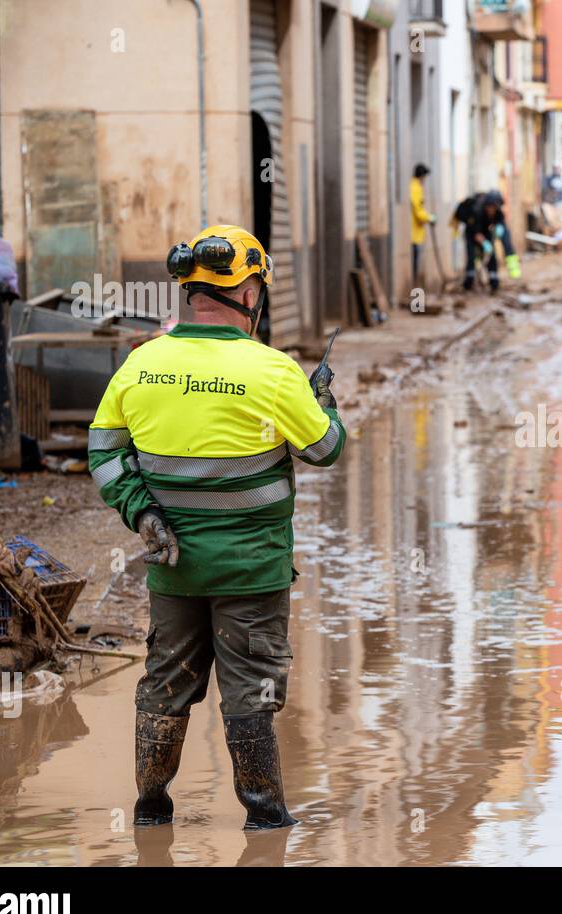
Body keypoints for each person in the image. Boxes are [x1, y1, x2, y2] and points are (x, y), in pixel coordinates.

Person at [89, 224, 346, 831]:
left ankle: (151, 814)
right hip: (252, 573)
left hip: (172, 569)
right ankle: (266, 820)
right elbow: (325, 450)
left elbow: (103, 453)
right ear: (251, 294)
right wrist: (324, 402)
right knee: (251, 690)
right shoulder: (275, 372)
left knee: (164, 685)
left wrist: (144, 514)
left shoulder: (141, 365)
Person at [453, 190, 521, 293]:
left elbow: (501, 223)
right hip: (472, 233)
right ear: (487, 206)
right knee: (472, 257)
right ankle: (468, 284)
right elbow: (476, 233)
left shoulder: (498, 212)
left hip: (485, 232)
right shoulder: (477, 211)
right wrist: (485, 243)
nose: (492, 210)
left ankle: (494, 283)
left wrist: (499, 228)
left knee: (492, 257)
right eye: (490, 208)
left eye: (494, 208)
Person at [409, 163, 434, 290]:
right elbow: (418, 211)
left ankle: (416, 300)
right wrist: (429, 218)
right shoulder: (415, 188)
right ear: (422, 176)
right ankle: (416, 301)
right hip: (414, 235)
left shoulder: (416, 187)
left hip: (417, 233)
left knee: (416, 266)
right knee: (415, 268)